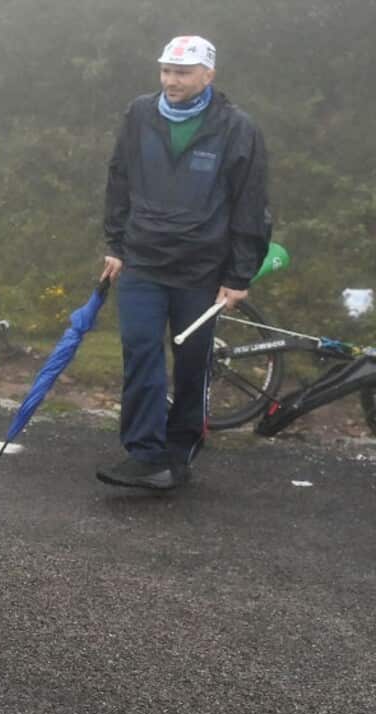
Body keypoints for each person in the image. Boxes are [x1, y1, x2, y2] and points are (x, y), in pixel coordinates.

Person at [98, 36, 270, 490]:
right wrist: (116, 243)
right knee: (140, 351)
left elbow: (250, 204)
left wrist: (239, 275)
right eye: (166, 71)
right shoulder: (139, 113)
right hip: (143, 260)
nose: (171, 80)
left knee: (192, 361)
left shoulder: (236, 127)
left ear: (208, 75)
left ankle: (181, 449)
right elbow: (119, 178)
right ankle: (145, 453)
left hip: (201, 268)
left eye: (183, 72)